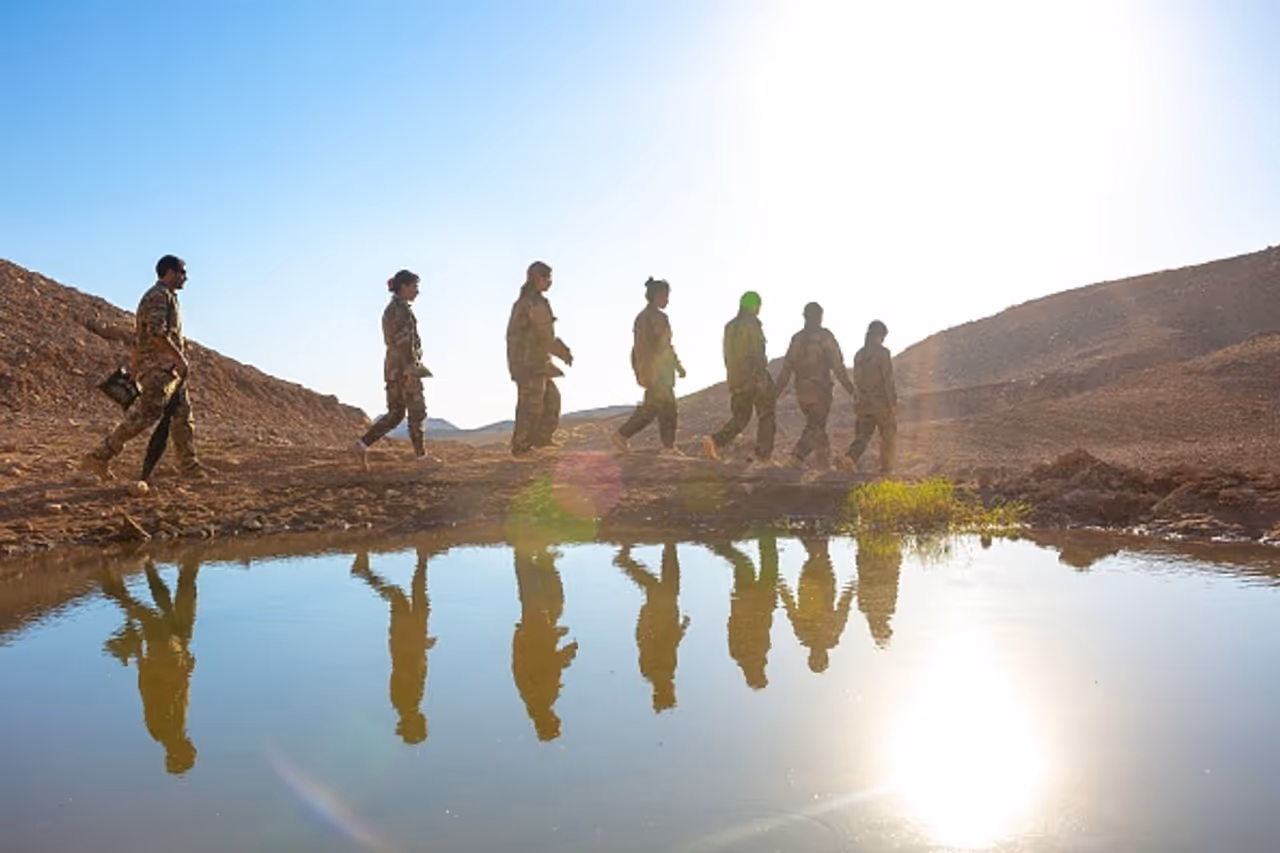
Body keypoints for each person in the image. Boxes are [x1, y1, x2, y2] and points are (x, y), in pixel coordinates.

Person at [81, 255, 209, 481]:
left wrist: (135, 368)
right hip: (160, 370)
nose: (185, 277)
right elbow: (156, 333)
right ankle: (99, 456)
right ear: (169, 272)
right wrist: (179, 359)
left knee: (182, 415)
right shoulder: (158, 296)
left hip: (168, 370)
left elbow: (139, 338)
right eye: (182, 272)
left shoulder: (166, 296)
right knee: (145, 416)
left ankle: (189, 466)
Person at [100, 556, 201, 774]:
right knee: (178, 598)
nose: (192, 746)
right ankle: (148, 567)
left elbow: (147, 690)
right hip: (178, 653)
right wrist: (187, 671)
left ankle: (115, 587)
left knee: (153, 616)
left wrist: (140, 656)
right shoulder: (177, 729)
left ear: (176, 753)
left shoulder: (160, 729)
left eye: (188, 751)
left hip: (163, 656)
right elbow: (180, 692)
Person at [352, 269, 435, 470]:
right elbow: (404, 342)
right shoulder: (400, 310)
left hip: (393, 369)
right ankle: (422, 458)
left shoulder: (393, 309)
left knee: (395, 414)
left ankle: (361, 446)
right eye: (414, 286)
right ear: (403, 287)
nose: (417, 291)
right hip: (405, 368)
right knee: (417, 411)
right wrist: (410, 370)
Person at [352, 547, 436, 744]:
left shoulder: (404, 702)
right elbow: (415, 670)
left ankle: (363, 571)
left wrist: (418, 645)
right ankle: (422, 557)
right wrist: (422, 647)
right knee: (417, 595)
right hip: (412, 639)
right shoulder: (409, 704)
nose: (424, 720)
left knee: (400, 596)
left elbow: (405, 669)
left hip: (405, 638)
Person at [773, 302, 856, 469]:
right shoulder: (825, 337)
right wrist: (852, 391)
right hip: (820, 390)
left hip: (802, 392)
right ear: (820, 317)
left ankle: (823, 466)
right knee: (816, 426)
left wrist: (775, 394)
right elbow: (838, 366)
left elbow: (786, 369)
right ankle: (796, 458)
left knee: (818, 427)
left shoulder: (797, 339)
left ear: (804, 316)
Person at [512, 538, 578, 740]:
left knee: (537, 594)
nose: (557, 718)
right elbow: (550, 666)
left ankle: (527, 549)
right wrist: (564, 654)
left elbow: (541, 664)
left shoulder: (538, 698)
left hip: (536, 634)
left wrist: (564, 654)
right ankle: (537, 554)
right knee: (548, 598)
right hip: (540, 634)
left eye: (555, 722)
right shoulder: (539, 700)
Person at [612, 278, 687, 455]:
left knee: (657, 408)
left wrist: (641, 370)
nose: (667, 300)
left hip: (651, 370)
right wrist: (677, 366)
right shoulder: (657, 317)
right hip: (658, 371)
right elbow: (664, 346)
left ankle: (625, 436)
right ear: (657, 295)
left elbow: (638, 350)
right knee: (664, 409)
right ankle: (625, 435)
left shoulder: (642, 317)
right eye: (665, 296)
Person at [506, 261, 574, 457]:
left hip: (537, 361)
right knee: (530, 406)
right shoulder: (531, 303)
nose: (549, 282)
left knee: (551, 399)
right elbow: (543, 335)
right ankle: (521, 446)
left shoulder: (534, 301)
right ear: (536, 278)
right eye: (546, 277)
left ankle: (540, 440)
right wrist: (562, 351)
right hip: (528, 363)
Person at [702, 291, 776, 464]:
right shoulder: (752, 324)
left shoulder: (730, 326)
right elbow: (757, 352)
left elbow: (728, 355)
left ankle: (714, 441)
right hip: (754, 378)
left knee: (740, 419)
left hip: (736, 379)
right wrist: (762, 377)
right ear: (753, 306)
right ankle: (763, 456)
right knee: (767, 415)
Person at [615, 542, 690, 712]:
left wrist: (648, 616)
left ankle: (627, 560)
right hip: (663, 615)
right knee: (658, 584)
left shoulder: (657, 670)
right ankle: (666, 547)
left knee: (663, 584)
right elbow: (669, 642)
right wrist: (682, 627)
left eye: (671, 691)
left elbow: (662, 641)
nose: (673, 688)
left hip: (661, 616)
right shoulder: (658, 671)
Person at [710, 533, 779, 690]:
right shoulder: (761, 654)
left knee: (745, 565)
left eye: (759, 675)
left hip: (746, 602)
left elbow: (732, 624)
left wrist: (737, 604)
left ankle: (720, 546)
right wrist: (771, 607)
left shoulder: (738, 652)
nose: (762, 671)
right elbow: (765, 627)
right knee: (769, 561)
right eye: (762, 674)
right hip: (763, 601)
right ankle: (766, 531)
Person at [779, 538, 855, 673]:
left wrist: (782, 588)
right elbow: (842, 612)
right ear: (826, 656)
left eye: (814, 658)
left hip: (808, 586)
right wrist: (850, 590)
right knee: (822, 555)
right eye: (819, 658)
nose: (817, 654)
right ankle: (816, 531)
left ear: (810, 656)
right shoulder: (831, 637)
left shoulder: (803, 635)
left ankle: (813, 531)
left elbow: (791, 610)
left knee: (815, 555)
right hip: (826, 588)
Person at [841, 320, 897, 474]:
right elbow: (888, 380)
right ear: (879, 336)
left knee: (862, 436)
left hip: (863, 403)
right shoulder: (883, 353)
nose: (883, 340)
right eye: (883, 336)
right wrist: (893, 403)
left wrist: (858, 400)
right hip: (881, 403)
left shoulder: (859, 354)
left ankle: (850, 458)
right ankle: (886, 468)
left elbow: (857, 381)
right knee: (888, 434)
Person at [855, 533, 902, 649]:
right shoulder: (866, 607)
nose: (887, 626)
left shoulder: (865, 607)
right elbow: (894, 584)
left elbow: (893, 585)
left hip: (874, 565)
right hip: (881, 566)